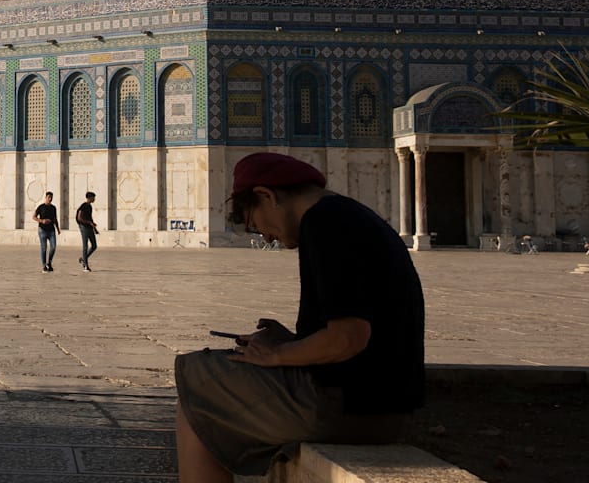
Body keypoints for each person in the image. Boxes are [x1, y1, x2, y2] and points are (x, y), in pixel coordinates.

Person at [174, 152, 424, 482]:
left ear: (266, 196)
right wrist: (293, 342)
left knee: (196, 385)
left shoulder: (324, 223)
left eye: (253, 223)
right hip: (382, 401)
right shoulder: (348, 215)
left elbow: (349, 337)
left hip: (351, 407)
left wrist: (277, 355)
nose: (264, 237)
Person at [33, 191, 59, 272]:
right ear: (46, 198)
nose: (50, 199)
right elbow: (34, 217)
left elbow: (55, 219)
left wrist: (58, 228)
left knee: (53, 247)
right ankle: (44, 265)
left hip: (51, 230)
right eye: (49, 197)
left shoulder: (53, 208)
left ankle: (49, 262)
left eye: (51, 197)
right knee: (44, 248)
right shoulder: (41, 207)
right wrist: (41, 221)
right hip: (42, 230)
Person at [75, 191, 98, 271]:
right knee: (85, 246)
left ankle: (83, 259)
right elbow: (79, 218)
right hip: (84, 227)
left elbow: (90, 217)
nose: (94, 199)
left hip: (89, 227)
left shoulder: (90, 207)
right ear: (89, 198)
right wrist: (88, 223)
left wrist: (95, 228)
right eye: (93, 197)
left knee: (94, 245)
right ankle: (85, 265)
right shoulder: (83, 206)